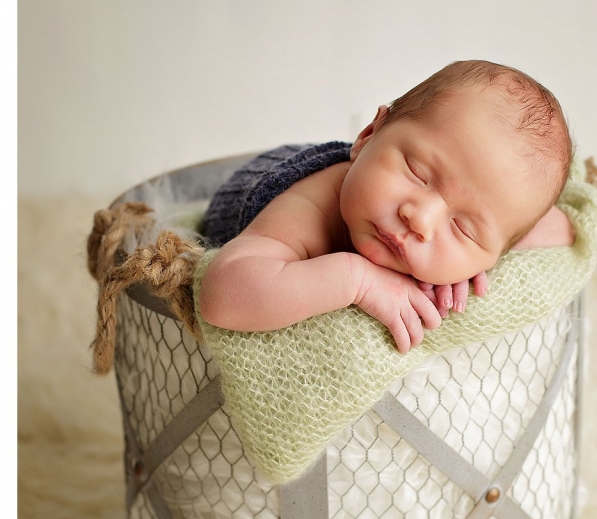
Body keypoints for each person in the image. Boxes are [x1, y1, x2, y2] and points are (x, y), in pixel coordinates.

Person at [199, 59, 575, 354]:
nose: (421, 219)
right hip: (248, 194)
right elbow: (221, 297)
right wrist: (356, 280)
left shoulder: (481, 236)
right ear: (368, 136)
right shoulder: (308, 208)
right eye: (416, 171)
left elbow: (560, 229)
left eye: (463, 228)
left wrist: (469, 265)